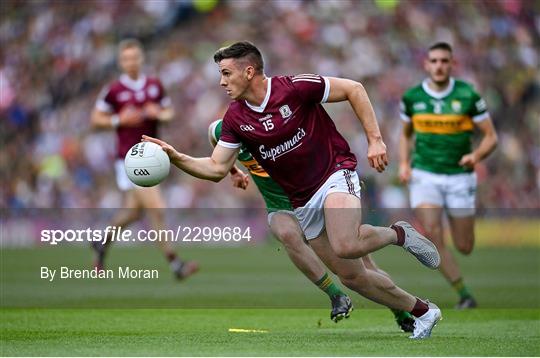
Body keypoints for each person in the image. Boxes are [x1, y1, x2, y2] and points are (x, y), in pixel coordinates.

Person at [144, 41, 441, 339]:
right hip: (301, 198)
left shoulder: (293, 88)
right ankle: (422, 311)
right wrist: (176, 156)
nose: (221, 82)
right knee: (351, 276)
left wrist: (375, 140)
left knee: (346, 244)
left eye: (226, 73)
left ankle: (398, 233)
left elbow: (354, 89)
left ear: (249, 72)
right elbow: (216, 168)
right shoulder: (234, 117)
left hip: (334, 171)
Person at [209, 119, 416, 331]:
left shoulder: (280, 120)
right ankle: (336, 295)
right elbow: (214, 140)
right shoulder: (224, 128)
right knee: (287, 233)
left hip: (314, 196)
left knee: (364, 269)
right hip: (279, 204)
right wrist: (233, 170)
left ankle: (400, 308)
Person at [398, 42, 498, 309]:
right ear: (426, 64)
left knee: (464, 245)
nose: (439, 65)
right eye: (434, 61)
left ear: (452, 64)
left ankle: (459, 246)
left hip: (459, 177)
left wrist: (475, 157)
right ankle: (465, 294)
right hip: (425, 174)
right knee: (432, 233)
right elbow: (406, 135)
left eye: (444, 61)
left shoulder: (468, 96)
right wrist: (404, 163)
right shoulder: (412, 97)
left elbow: (491, 137)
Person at [90, 38, 198, 280]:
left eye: (135, 57)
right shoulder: (114, 90)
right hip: (129, 159)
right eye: (126, 58)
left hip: (150, 155)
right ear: (121, 61)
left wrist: (158, 113)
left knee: (133, 213)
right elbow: (95, 120)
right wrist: (119, 120)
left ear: (141, 59)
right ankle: (175, 263)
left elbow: (169, 112)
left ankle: (101, 241)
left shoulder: (154, 85)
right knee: (157, 207)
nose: (131, 62)